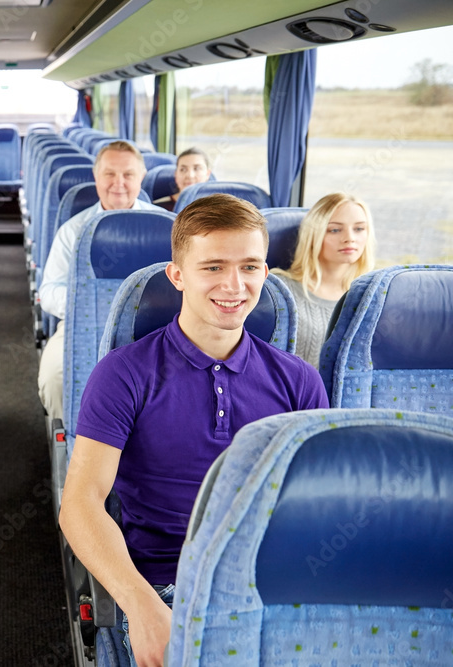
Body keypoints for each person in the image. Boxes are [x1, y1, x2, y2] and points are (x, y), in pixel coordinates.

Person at [59, 195, 328, 667]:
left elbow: (316, 508)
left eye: (249, 267)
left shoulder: (299, 381)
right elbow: (80, 504)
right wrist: (141, 607)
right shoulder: (123, 375)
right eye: (213, 267)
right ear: (178, 275)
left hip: (272, 587)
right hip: (167, 588)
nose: (234, 285)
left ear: (266, 273)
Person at [37, 140, 166, 422]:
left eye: (128, 174)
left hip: (158, 331)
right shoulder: (73, 231)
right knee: (55, 377)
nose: (118, 183)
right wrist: (90, 307)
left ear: (141, 177)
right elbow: (48, 292)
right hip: (82, 325)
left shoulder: (169, 227)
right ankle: (72, 441)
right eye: (109, 174)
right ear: (96, 177)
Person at [272, 192, 375, 368]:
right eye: (334, 230)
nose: (349, 238)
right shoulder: (279, 290)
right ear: (313, 236)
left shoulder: (374, 294)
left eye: (359, 229)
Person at [151, 147, 212, 212]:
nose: (190, 176)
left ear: (208, 174)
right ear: (176, 175)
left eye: (196, 168)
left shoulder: (217, 207)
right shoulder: (157, 208)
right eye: (183, 169)